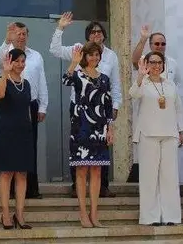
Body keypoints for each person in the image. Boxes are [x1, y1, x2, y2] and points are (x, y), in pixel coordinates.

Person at [52, 12, 121, 198]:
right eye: (92, 32)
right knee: (80, 148)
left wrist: (116, 105)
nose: (96, 34)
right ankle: (78, 186)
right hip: (79, 110)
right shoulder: (78, 49)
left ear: (104, 35)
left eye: (99, 32)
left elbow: (114, 84)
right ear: (87, 36)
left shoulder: (111, 56)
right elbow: (55, 50)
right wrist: (60, 28)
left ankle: (102, 187)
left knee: (101, 147)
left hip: (101, 111)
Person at [0, 21, 48, 199]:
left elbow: (42, 81)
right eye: (18, 33)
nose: (21, 36)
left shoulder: (36, 56)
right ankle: (7, 191)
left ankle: (31, 189)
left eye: (24, 33)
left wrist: (43, 106)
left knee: (29, 149)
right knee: (10, 150)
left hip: (29, 104)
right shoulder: (6, 53)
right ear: (13, 35)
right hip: (10, 104)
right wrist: (6, 40)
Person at [62, 43, 115, 228]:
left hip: (100, 128)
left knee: (97, 171)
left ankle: (94, 214)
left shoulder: (105, 79)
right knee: (82, 170)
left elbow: (108, 106)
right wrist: (73, 63)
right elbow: (65, 81)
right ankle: (82, 213)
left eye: (97, 54)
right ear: (85, 56)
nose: (94, 58)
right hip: (81, 127)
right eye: (91, 54)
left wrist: (111, 128)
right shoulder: (77, 74)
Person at [130, 52, 183, 226]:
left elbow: (178, 109)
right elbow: (133, 94)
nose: (156, 66)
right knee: (149, 177)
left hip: (169, 134)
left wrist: (181, 130)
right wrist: (140, 75)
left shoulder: (170, 85)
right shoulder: (142, 83)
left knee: (170, 177)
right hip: (148, 135)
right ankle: (150, 217)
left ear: (163, 65)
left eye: (159, 62)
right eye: (152, 62)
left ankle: (171, 216)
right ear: (146, 63)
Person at [128, 26, 179, 183]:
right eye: (156, 44)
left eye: (163, 44)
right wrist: (143, 38)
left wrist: (180, 128)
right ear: (151, 45)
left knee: (168, 174)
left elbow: (176, 103)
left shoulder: (173, 63)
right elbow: (134, 60)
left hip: (168, 126)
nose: (160, 46)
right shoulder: (145, 61)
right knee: (150, 174)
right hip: (149, 126)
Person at [0, 48, 35, 230]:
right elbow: (0, 94)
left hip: (23, 132)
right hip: (6, 131)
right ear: (9, 62)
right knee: (6, 173)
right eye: (16, 61)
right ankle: (5, 214)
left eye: (22, 61)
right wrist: (5, 72)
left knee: (22, 173)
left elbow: (26, 107)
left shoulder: (26, 84)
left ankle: (19, 213)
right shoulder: (2, 79)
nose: (20, 64)